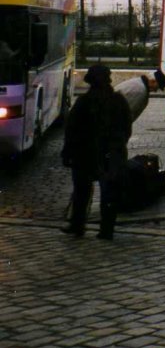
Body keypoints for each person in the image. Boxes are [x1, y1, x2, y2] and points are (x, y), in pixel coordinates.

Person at [60, 64, 133, 239]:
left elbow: (71, 130)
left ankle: (78, 225)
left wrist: (67, 152)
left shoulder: (83, 102)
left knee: (81, 191)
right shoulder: (118, 101)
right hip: (111, 153)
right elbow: (127, 127)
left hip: (85, 153)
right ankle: (107, 229)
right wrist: (119, 145)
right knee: (109, 192)